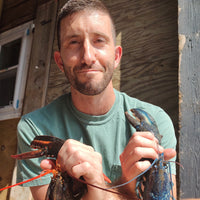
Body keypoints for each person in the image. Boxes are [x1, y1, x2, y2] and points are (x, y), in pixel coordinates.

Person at [16, 0, 177, 199]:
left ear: (117, 56)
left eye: (99, 40)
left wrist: (98, 190)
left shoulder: (157, 120)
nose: (88, 56)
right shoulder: (34, 128)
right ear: (59, 61)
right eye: (74, 43)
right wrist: (124, 189)